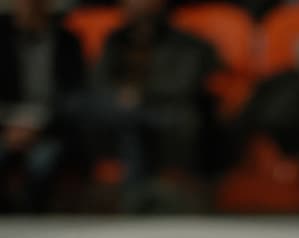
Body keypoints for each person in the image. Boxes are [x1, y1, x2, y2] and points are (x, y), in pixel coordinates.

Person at [88, 0, 218, 210]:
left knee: (133, 124)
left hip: (167, 113)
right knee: (121, 119)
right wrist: (119, 97)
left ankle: (135, 199)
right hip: (119, 116)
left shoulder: (186, 44)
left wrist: (141, 96)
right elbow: (98, 83)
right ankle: (137, 197)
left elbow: (185, 85)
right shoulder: (115, 41)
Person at [0, 0, 86, 212]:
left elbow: (74, 97)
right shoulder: (2, 42)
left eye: (34, 3)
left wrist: (38, 127)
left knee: (42, 163)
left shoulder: (67, 42)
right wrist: (10, 128)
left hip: (51, 128)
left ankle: (33, 217)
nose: (28, 8)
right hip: (6, 126)